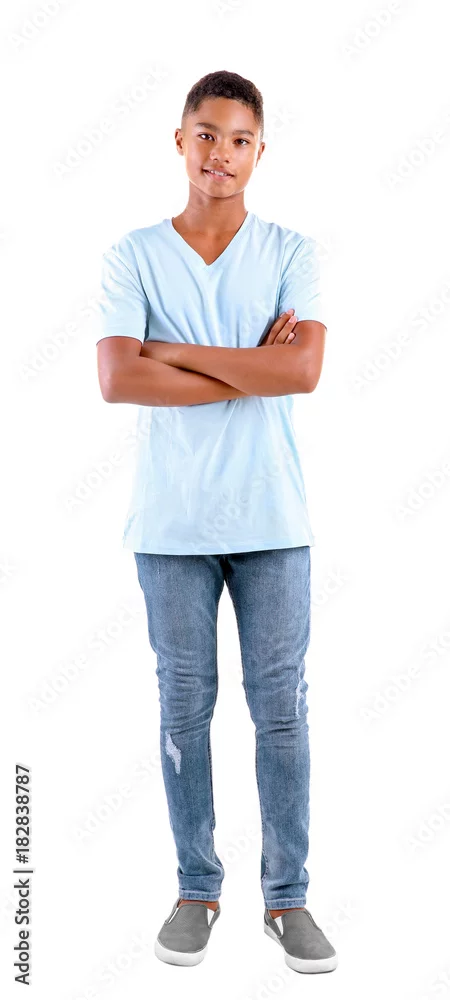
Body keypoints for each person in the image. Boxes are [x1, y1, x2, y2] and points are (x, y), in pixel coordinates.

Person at [95, 69, 337, 974]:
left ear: (260, 152)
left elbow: (301, 372)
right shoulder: (133, 255)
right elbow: (118, 379)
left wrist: (172, 352)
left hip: (272, 518)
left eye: (239, 140)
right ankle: (197, 889)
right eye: (206, 135)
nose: (221, 154)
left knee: (282, 712)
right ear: (179, 140)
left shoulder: (290, 252)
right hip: (171, 527)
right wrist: (245, 366)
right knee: (183, 708)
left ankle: (288, 899)